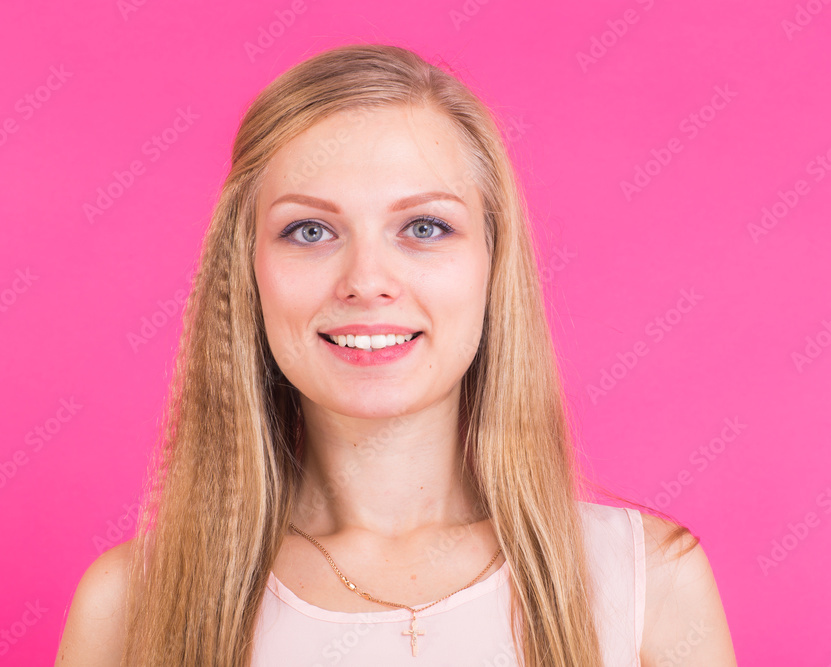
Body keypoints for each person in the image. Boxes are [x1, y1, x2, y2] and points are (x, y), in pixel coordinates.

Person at [55, 43, 738, 666]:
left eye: (424, 226)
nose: (366, 280)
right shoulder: (129, 607)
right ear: (247, 270)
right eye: (310, 230)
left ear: (493, 264)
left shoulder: (649, 582)